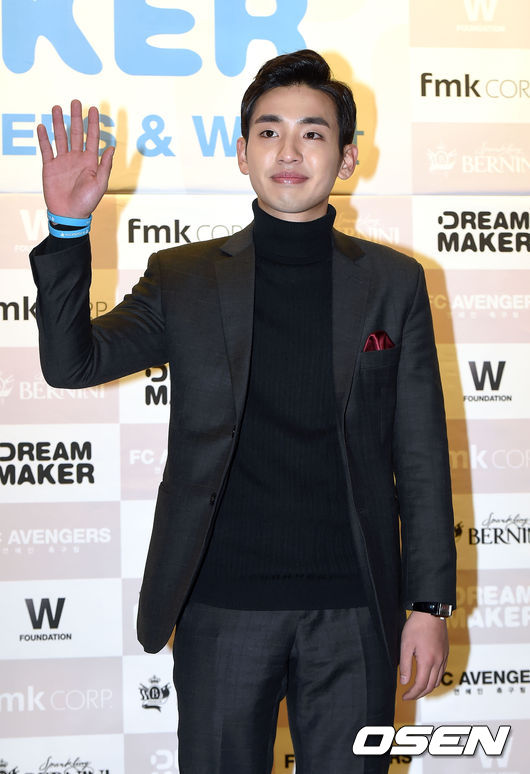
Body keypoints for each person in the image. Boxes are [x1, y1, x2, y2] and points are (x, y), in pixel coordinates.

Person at [30, 49, 456, 774]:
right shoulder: (185, 278)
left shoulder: (394, 283)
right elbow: (73, 364)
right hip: (220, 604)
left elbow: (420, 455)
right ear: (241, 153)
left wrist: (429, 605)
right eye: (268, 132)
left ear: (347, 158)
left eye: (313, 133)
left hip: (355, 610)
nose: (289, 151)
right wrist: (69, 230)